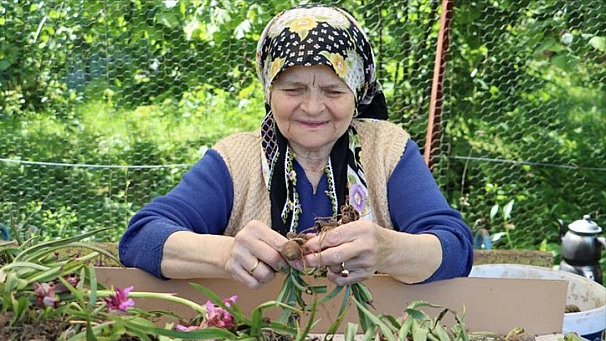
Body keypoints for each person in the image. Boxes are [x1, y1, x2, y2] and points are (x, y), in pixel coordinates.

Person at [119, 4, 473, 289]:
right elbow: (141, 239)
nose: (313, 108)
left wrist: (389, 250)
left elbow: (456, 248)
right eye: (293, 90)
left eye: (333, 91)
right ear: (269, 90)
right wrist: (227, 253)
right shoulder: (235, 160)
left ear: (358, 92)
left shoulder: (387, 151)